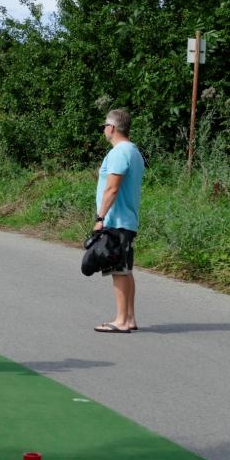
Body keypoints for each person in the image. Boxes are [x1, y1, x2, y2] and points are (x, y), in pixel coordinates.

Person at [93, 108, 145, 333]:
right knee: (125, 269)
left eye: (104, 126)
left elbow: (112, 188)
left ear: (112, 128)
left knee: (118, 270)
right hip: (127, 219)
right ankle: (129, 318)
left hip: (117, 220)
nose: (104, 130)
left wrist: (100, 217)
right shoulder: (133, 151)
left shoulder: (119, 152)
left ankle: (121, 320)